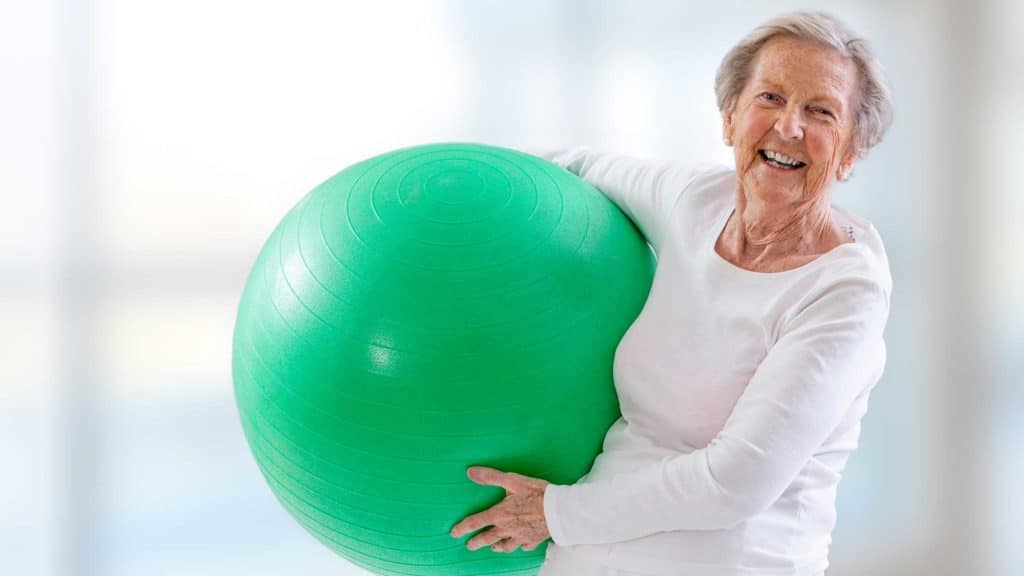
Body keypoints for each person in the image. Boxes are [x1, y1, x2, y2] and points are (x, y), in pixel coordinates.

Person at [449, 10, 894, 576]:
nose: (789, 127)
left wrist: (554, 512)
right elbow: (572, 168)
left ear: (851, 152)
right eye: (770, 98)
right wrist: (451, 187)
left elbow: (734, 482)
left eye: (821, 111)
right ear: (730, 118)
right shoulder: (697, 202)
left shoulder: (844, 291)